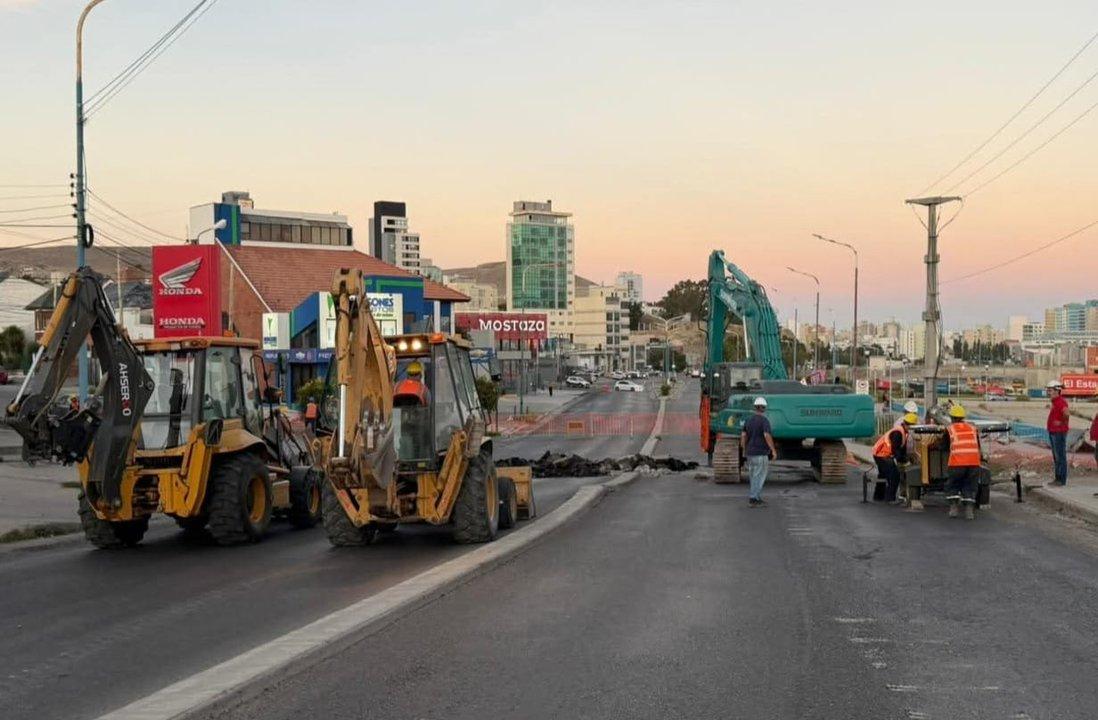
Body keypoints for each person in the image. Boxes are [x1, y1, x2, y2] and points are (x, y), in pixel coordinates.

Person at [938, 404, 982, 520]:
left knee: (953, 485)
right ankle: (969, 511)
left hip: (957, 463)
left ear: (951, 418)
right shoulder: (973, 429)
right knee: (969, 486)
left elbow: (943, 446)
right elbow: (977, 445)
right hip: (974, 464)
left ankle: (953, 508)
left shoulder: (950, 429)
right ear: (963, 418)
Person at [873, 412, 917, 503]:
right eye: (912, 426)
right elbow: (895, 450)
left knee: (883, 475)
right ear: (908, 425)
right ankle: (889, 498)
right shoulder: (898, 432)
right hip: (882, 454)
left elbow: (901, 448)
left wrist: (905, 457)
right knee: (894, 475)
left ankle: (878, 496)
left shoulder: (903, 432)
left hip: (879, 453)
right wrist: (903, 460)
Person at [741, 397, 777, 507]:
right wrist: (773, 450)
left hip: (750, 453)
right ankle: (753, 499)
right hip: (760, 453)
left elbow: (743, 436)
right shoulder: (764, 421)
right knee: (759, 476)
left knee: (753, 476)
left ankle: (756, 497)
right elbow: (767, 435)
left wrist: (744, 450)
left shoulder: (748, 420)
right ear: (763, 408)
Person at [1046, 380, 1069, 486]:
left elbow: (1067, 413)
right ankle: (1058, 478)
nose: (1048, 392)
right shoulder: (1055, 402)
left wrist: (1061, 422)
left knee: (1060, 457)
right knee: (1056, 457)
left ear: (1057, 391)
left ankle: (1061, 480)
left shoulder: (1061, 402)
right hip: (1053, 432)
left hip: (1058, 433)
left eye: (1050, 390)